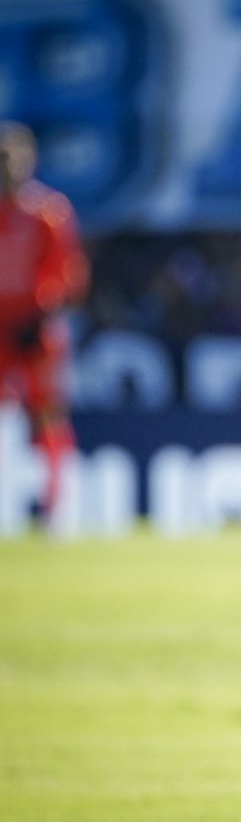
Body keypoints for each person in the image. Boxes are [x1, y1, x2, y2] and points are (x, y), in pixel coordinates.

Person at [0, 122, 89, 524]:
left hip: (36, 328)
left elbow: (68, 273)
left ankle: (57, 505)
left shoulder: (47, 213)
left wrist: (41, 312)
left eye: (14, 158)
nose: (8, 168)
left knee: (47, 413)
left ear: (30, 161)